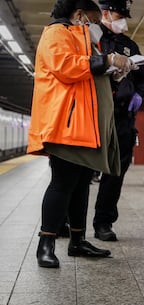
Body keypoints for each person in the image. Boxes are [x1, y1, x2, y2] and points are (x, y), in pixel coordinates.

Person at [30, 0, 131, 268]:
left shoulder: (81, 36)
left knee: (81, 183)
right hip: (66, 122)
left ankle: (77, 241)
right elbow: (65, 66)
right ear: (79, 14)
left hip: (85, 124)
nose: (94, 26)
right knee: (62, 183)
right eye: (92, 20)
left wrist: (114, 73)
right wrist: (105, 60)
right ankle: (46, 244)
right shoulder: (56, 33)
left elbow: (89, 74)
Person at [93, 0, 144, 241]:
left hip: (123, 117)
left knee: (116, 171)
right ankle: (67, 219)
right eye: (119, 14)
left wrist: (139, 94)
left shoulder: (130, 45)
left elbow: (142, 79)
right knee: (81, 169)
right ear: (105, 13)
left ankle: (104, 222)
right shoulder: (91, 39)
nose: (123, 20)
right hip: (94, 114)